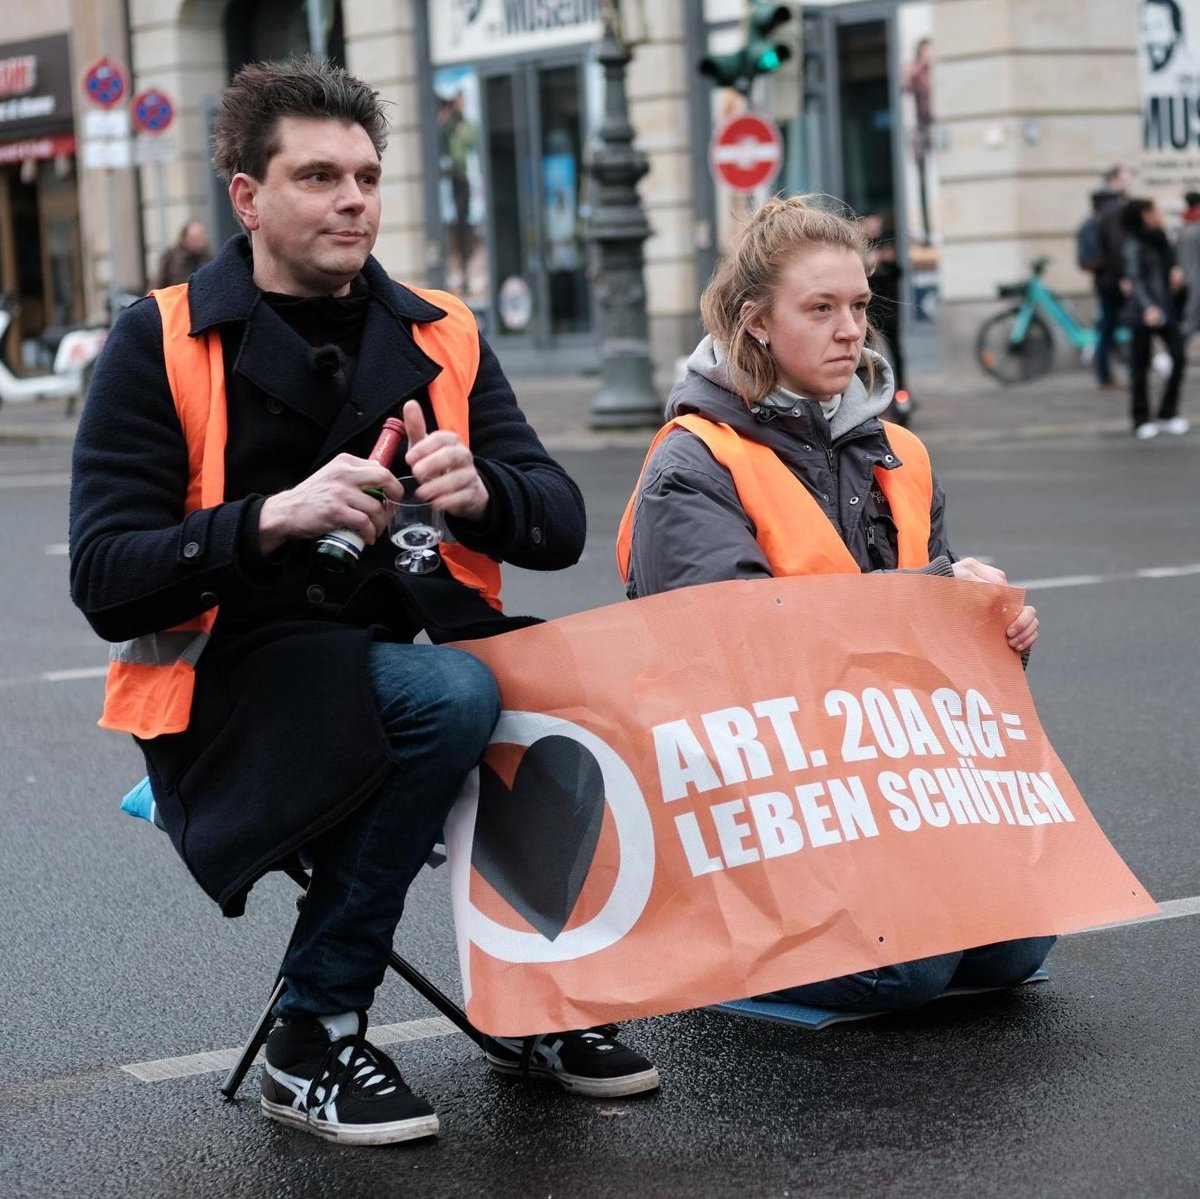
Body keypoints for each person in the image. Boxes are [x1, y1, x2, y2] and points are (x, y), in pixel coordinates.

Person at [69, 56, 657, 1149]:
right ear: (247, 197)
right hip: (236, 685)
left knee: (594, 686)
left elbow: (560, 520)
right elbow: (105, 577)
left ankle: (542, 996)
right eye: (320, 176)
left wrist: (487, 495)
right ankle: (313, 1029)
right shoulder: (158, 339)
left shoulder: (440, 329)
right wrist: (271, 518)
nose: (354, 200)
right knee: (448, 694)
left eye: (368, 176)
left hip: (420, 644)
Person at [617, 195, 1053, 1016]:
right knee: (910, 974)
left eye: (858, 306)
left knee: (1015, 946)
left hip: (873, 782)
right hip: (756, 792)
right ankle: (708, 937)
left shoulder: (898, 449)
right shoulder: (694, 460)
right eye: (820, 309)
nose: (851, 329)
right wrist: (932, 597)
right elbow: (736, 652)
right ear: (756, 323)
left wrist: (997, 630)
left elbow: (929, 638)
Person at [1121, 197, 1189, 439]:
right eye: (1156, 210)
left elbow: (1169, 265)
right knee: (1140, 366)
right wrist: (1147, 306)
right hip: (1144, 311)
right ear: (1145, 215)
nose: (1160, 213)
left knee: (1179, 357)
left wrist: (1176, 274)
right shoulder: (1134, 243)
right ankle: (1141, 418)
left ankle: (1167, 413)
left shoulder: (1161, 238)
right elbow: (1135, 277)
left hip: (1166, 307)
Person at [1089, 165, 1134, 389]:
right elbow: (1117, 247)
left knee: (1108, 327)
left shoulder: (1101, 208)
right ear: (1115, 181)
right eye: (1126, 177)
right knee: (1124, 325)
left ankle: (1104, 373)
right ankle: (1120, 372)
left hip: (1106, 278)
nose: (1130, 181)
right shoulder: (1114, 210)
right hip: (1115, 279)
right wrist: (1126, 276)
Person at [156, 219, 213, 288]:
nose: (198, 242)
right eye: (194, 239)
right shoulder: (171, 257)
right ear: (185, 238)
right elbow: (159, 282)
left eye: (200, 237)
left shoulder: (208, 257)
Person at [1175, 190, 1200, 338]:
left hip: (1187, 280)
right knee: (1190, 322)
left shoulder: (1184, 227)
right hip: (1195, 282)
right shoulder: (1194, 228)